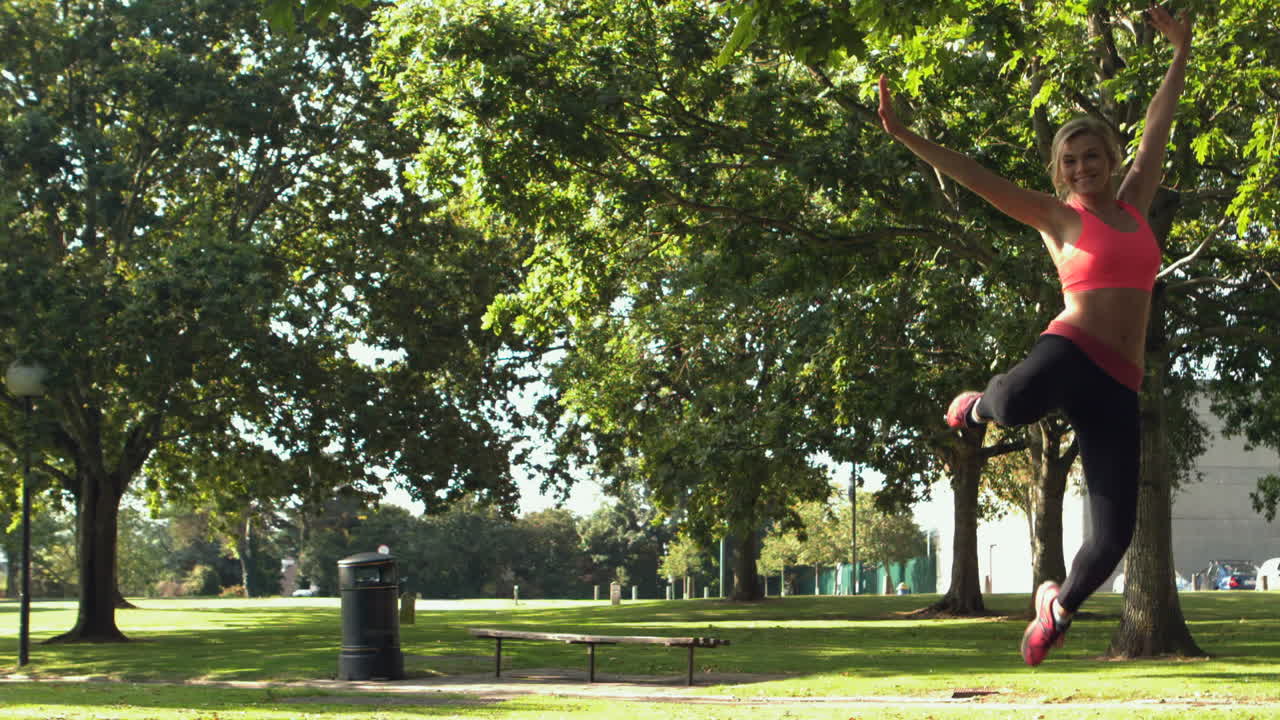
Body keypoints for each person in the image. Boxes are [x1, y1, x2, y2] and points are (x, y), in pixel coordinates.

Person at [876, 6, 1192, 666]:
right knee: (1014, 404)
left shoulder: (1134, 204)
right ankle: (976, 402)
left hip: (1119, 383)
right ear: (1060, 170)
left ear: (1112, 159)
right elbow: (977, 176)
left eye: (1094, 156)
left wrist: (1181, 51)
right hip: (1070, 350)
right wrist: (909, 137)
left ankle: (1058, 605)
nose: (1083, 167)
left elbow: (1159, 124)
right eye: (1071, 160)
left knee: (1112, 539)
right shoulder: (1055, 216)